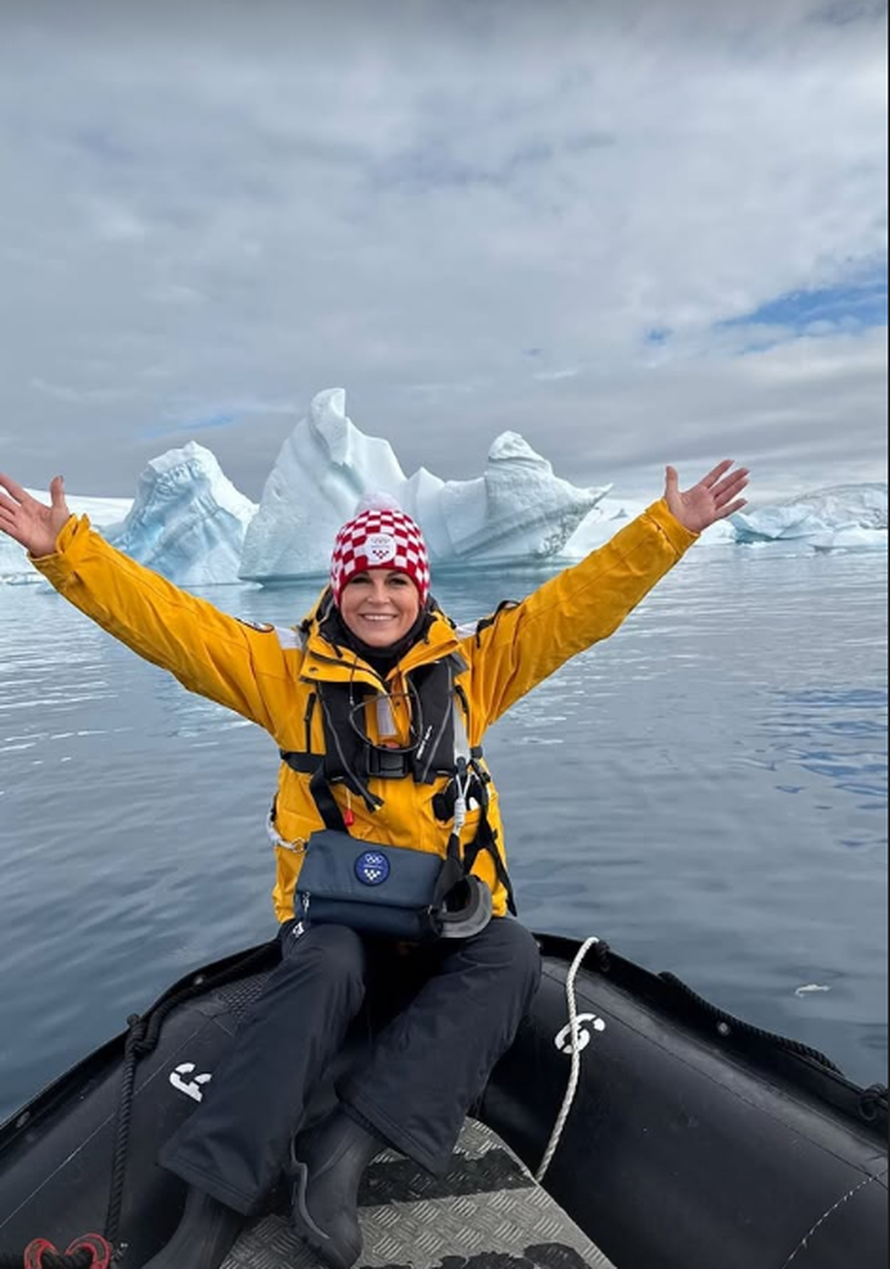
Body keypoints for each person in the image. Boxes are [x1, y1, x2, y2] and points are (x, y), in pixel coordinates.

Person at [0, 459, 748, 1269]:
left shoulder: (475, 668)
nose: (379, 597)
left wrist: (666, 530)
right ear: (338, 585)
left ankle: (342, 1150)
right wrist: (66, 550)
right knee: (325, 964)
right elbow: (170, 624)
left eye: (397, 580)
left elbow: (577, 607)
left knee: (509, 951)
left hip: (441, 921)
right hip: (333, 924)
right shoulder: (285, 674)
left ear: (421, 589)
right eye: (362, 579)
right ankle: (210, 1210)